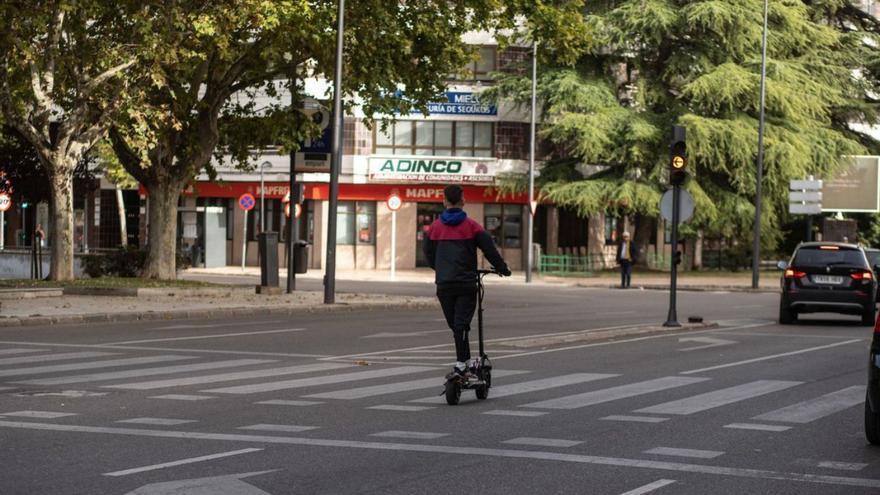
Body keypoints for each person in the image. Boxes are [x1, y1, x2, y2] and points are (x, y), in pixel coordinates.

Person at [424, 185, 511, 379]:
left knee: (456, 326)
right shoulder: (472, 226)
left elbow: (428, 254)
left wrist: (441, 268)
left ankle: (463, 364)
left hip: (444, 284)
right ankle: (463, 365)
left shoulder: (434, 227)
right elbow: (489, 250)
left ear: (444, 201)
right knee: (461, 325)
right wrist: (503, 269)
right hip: (466, 284)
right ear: (463, 201)